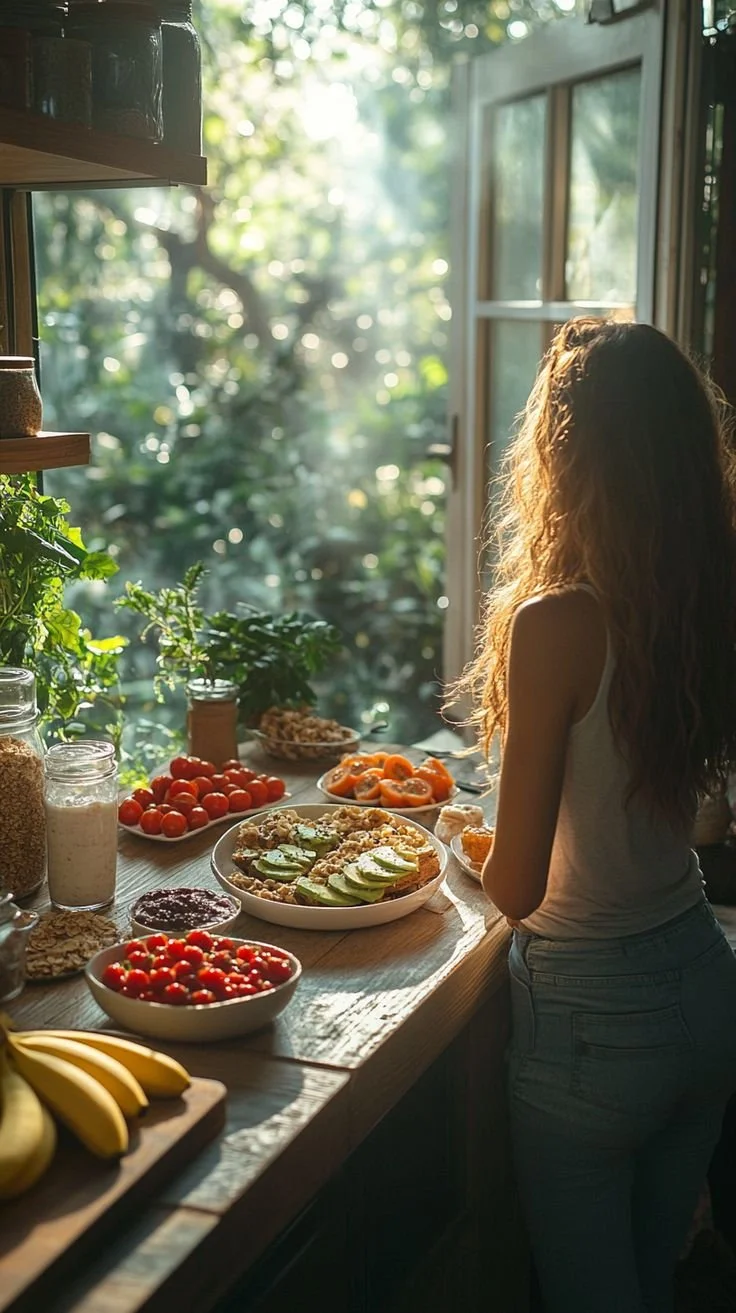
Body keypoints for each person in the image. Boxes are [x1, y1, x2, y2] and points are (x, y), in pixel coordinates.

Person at [454, 318, 736, 1313]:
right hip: (705, 988)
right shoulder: (709, 597)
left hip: (591, 1026)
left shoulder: (555, 622)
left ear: (564, 456)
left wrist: (466, 849)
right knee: (651, 1280)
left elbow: (517, 888)